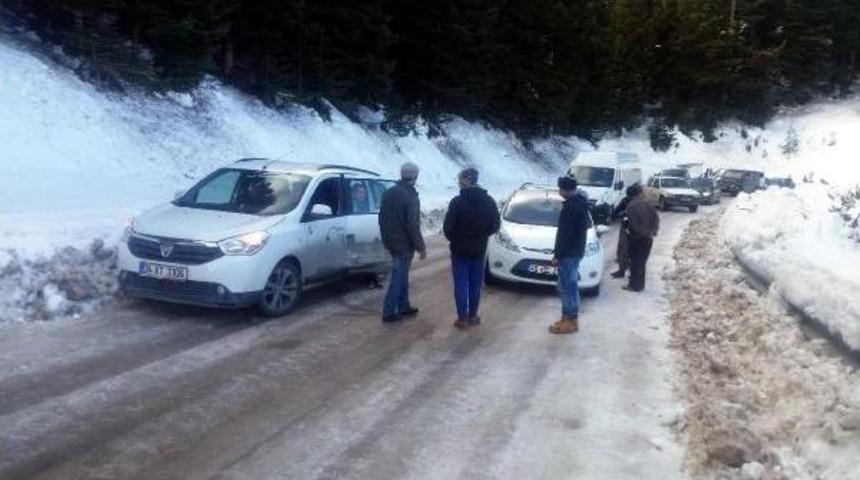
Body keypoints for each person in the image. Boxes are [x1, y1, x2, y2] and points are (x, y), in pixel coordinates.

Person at [442, 168, 500, 329]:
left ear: (467, 180)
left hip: (459, 250)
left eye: (460, 180)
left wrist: (455, 239)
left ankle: (462, 318)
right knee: (475, 284)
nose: (459, 183)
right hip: (479, 249)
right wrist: (482, 235)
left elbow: (447, 228)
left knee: (461, 284)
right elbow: (496, 225)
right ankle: (473, 315)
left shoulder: (457, 202)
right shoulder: (489, 201)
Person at [378, 162, 427, 322]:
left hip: (392, 242)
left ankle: (404, 306)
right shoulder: (411, 196)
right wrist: (421, 247)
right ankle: (389, 311)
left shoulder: (388, 193)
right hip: (404, 244)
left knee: (402, 275)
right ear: (415, 176)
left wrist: (386, 238)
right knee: (399, 277)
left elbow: (382, 218)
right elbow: (412, 225)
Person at [549, 176, 590, 335]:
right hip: (574, 251)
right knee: (568, 286)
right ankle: (567, 318)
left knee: (568, 287)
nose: (559, 191)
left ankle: (570, 321)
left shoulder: (571, 206)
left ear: (565, 189)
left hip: (568, 253)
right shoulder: (579, 203)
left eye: (560, 188)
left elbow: (565, 233)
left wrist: (558, 254)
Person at [623, 184, 659, 292]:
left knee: (635, 262)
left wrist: (639, 233)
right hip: (648, 238)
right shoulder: (648, 205)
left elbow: (632, 224)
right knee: (642, 261)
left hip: (637, 238)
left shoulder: (630, 206)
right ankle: (639, 284)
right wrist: (653, 231)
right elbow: (656, 219)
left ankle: (635, 285)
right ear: (638, 193)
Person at [610, 185, 638, 279]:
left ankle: (631, 273)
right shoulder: (626, 200)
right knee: (622, 250)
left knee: (631, 251)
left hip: (635, 229)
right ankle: (622, 270)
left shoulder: (639, 203)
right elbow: (617, 210)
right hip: (626, 227)